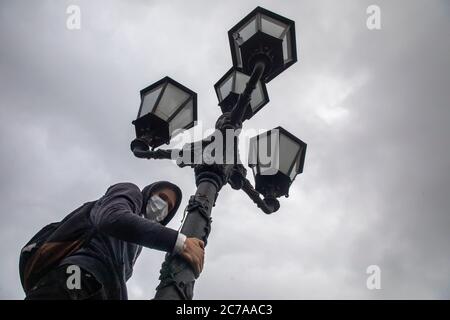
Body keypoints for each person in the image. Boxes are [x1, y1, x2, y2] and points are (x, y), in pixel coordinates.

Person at [24, 181, 204, 300]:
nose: (164, 206)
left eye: (169, 207)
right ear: (148, 194)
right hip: (77, 277)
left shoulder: (135, 245)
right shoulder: (130, 193)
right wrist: (180, 242)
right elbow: (111, 218)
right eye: (162, 197)